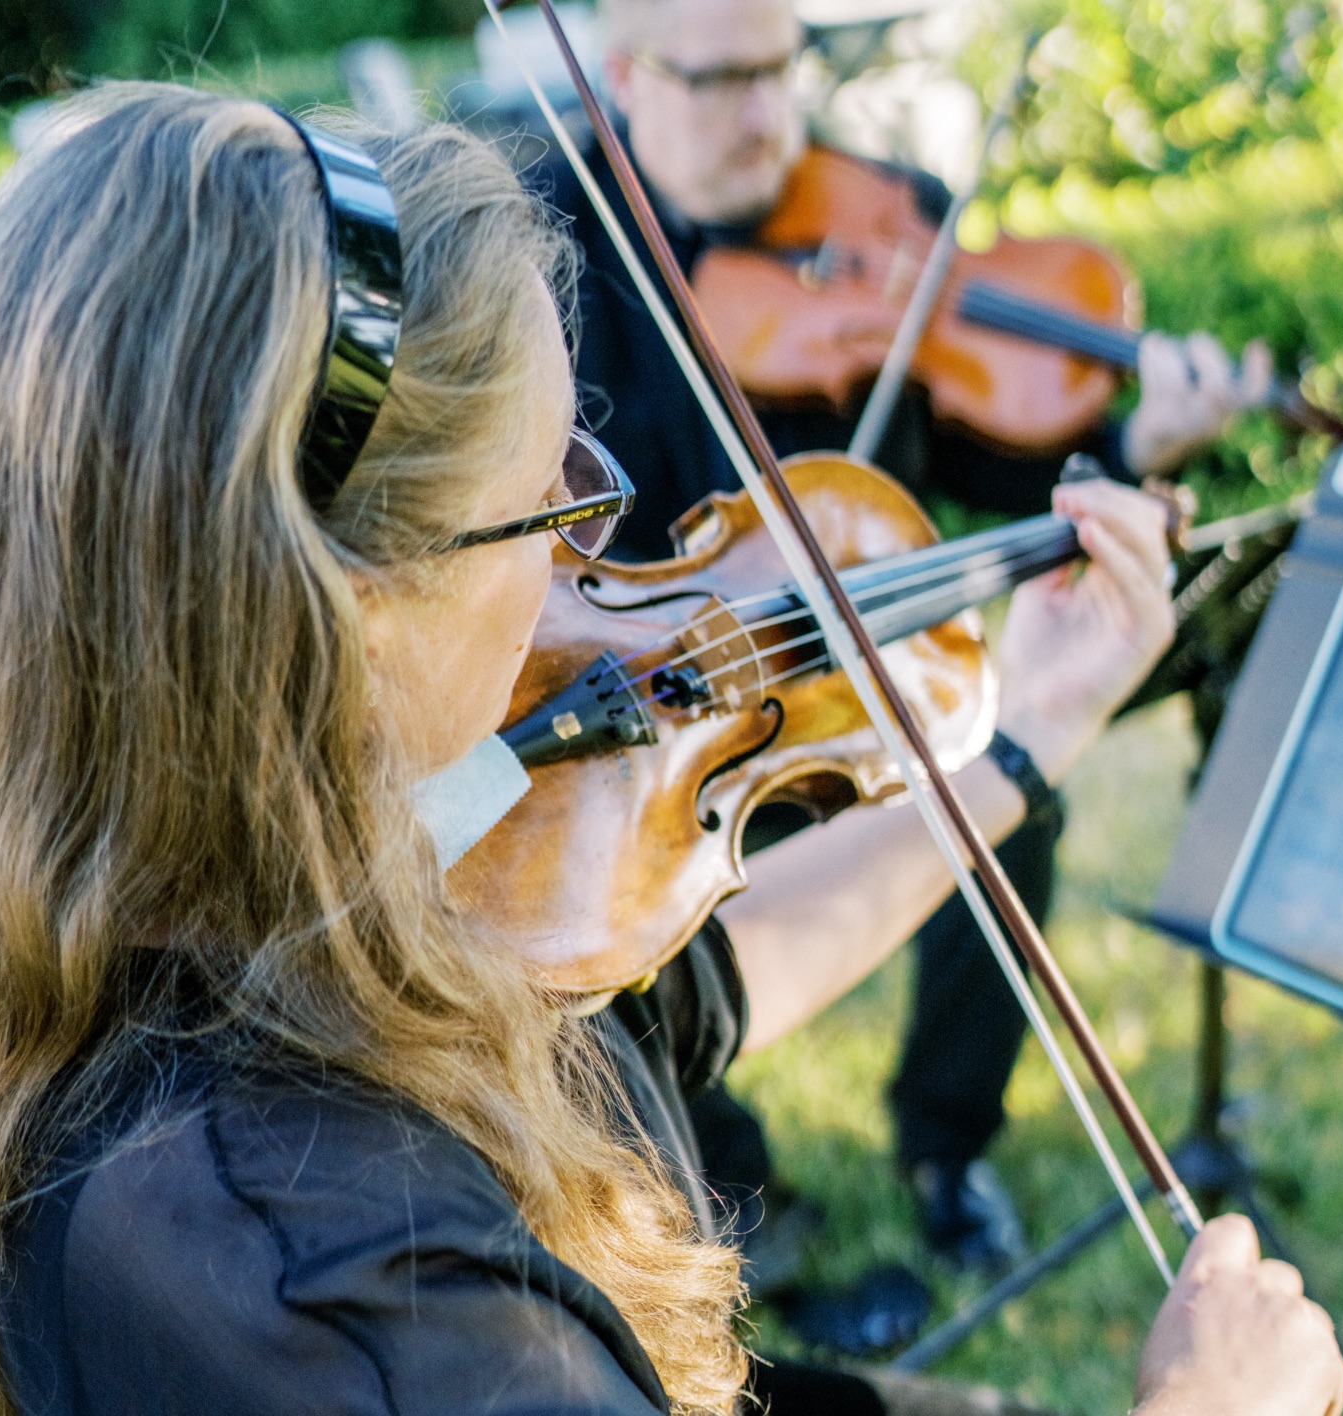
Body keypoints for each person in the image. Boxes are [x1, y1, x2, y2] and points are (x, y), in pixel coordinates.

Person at [0, 82, 1341, 1416]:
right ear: (348, 607)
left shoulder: (283, 891)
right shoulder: (346, 1292)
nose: (593, 573)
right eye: (552, 502)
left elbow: (673, 1006)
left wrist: (1022, 735)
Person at [531, 0, 1276, 1281]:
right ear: (623, 75)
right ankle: (728, 1198)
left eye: (782, 71)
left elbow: (992, 443)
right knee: (600, 885)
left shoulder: (884, 216)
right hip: (651, 698)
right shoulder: (542, 244)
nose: (766, 116)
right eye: (719, 82)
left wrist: (1135, 454)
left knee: (1008, 793)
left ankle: (948, 1143)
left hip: (848, 682)